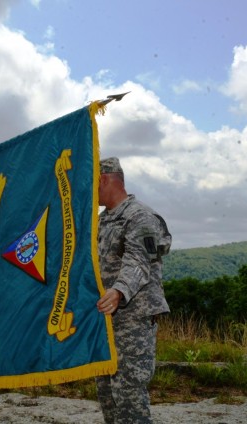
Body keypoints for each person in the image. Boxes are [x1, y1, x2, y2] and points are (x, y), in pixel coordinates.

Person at [95, 157, 171, 424]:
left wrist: (118, 291)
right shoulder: (102, 221)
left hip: (133, 318)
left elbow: (140, 260)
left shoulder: (141, 217)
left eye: (91, 183)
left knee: (128, 392)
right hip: (105, 318)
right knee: (106, 391)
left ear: (104, 179)